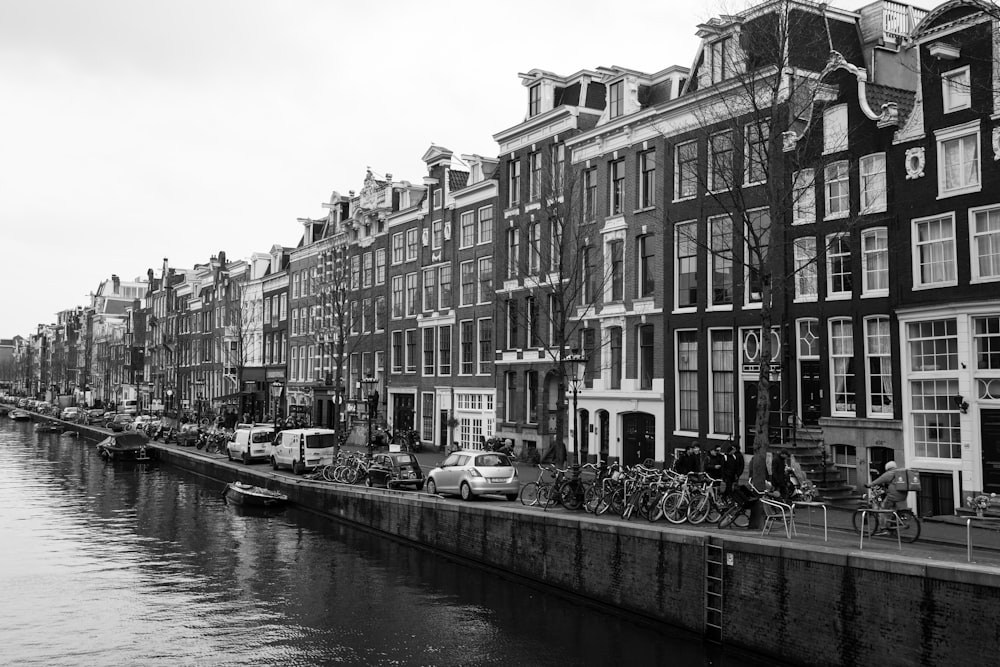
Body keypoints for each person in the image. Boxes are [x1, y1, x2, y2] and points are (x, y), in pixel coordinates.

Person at [866, 461, 906, 535]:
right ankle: (892, 528)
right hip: (902, 495)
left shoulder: (890, 473)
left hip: (893, 496)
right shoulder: (899, 472)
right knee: (892, 511)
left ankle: (883, 529)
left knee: (882, 509)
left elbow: (880, 480)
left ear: (888, 468)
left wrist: (870, 484)